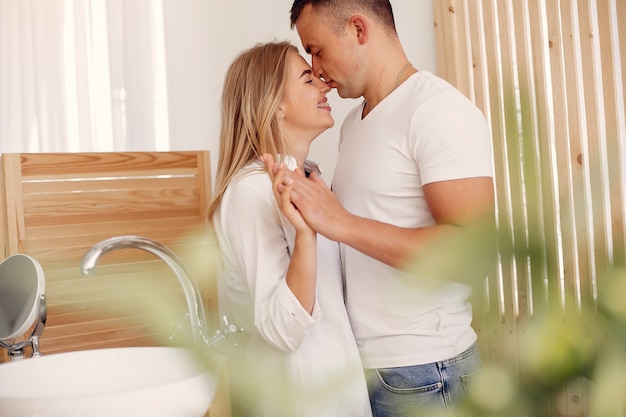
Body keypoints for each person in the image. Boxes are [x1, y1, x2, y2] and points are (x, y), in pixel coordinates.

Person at [266, 1, 496, 416]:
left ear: (358, 29)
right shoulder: (354, 124)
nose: (316, 69)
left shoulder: (437, 110)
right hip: (372, 372)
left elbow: (472, 255)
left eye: (317, 49)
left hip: (427, 372)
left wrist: (342, 223)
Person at [207, 41, 372, 417]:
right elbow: (281, 330)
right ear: (274, 104)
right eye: (307, 78)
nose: (325, 84)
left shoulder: (310, 178)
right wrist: (305, 236)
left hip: (337, 392)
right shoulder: (250, 193)